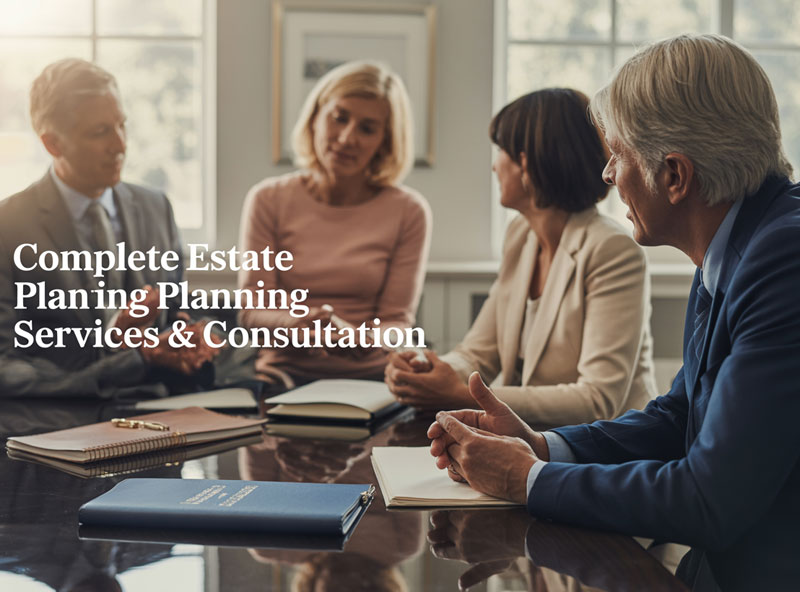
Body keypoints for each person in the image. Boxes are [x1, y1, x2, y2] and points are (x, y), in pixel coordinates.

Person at [429, 34, 800, 591]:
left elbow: (708, 498)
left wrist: (527, 479)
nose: (607, 175)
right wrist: (543, 446)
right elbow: (678, 417)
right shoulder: (737, 239)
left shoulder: (782, 259)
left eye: (618, 155)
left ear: (674, 176)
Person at [386, 88, 656, 428]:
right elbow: (477, 354)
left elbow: (597, 399)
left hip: (610, 447)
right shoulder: (521, 234)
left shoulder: (612, 248)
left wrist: (460, 395)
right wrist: (425, 370)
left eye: (500, 150)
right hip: (537, 440)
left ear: (525, 164)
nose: (494, 165)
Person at [0, 58, 218, 398]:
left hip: (160, 409)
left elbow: (176, 314)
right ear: (52, 144)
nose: (120, 145)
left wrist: (188, 341)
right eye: (100, 132)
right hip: (65, 418)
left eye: (121, 125)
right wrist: (128, 356)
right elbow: (6, 366)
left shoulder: (156, 207)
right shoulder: (9, 225)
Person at [239, 61, 431, 386]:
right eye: (339, 118)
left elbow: (396, 322)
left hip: (374, 382)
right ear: (315, 117)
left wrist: (359, 339)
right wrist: (297, 324)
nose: (346, 138)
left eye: (367, 129)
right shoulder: (268, 199)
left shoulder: (409, 211)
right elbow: (252, 310)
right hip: (281, 380)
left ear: (385, 142)